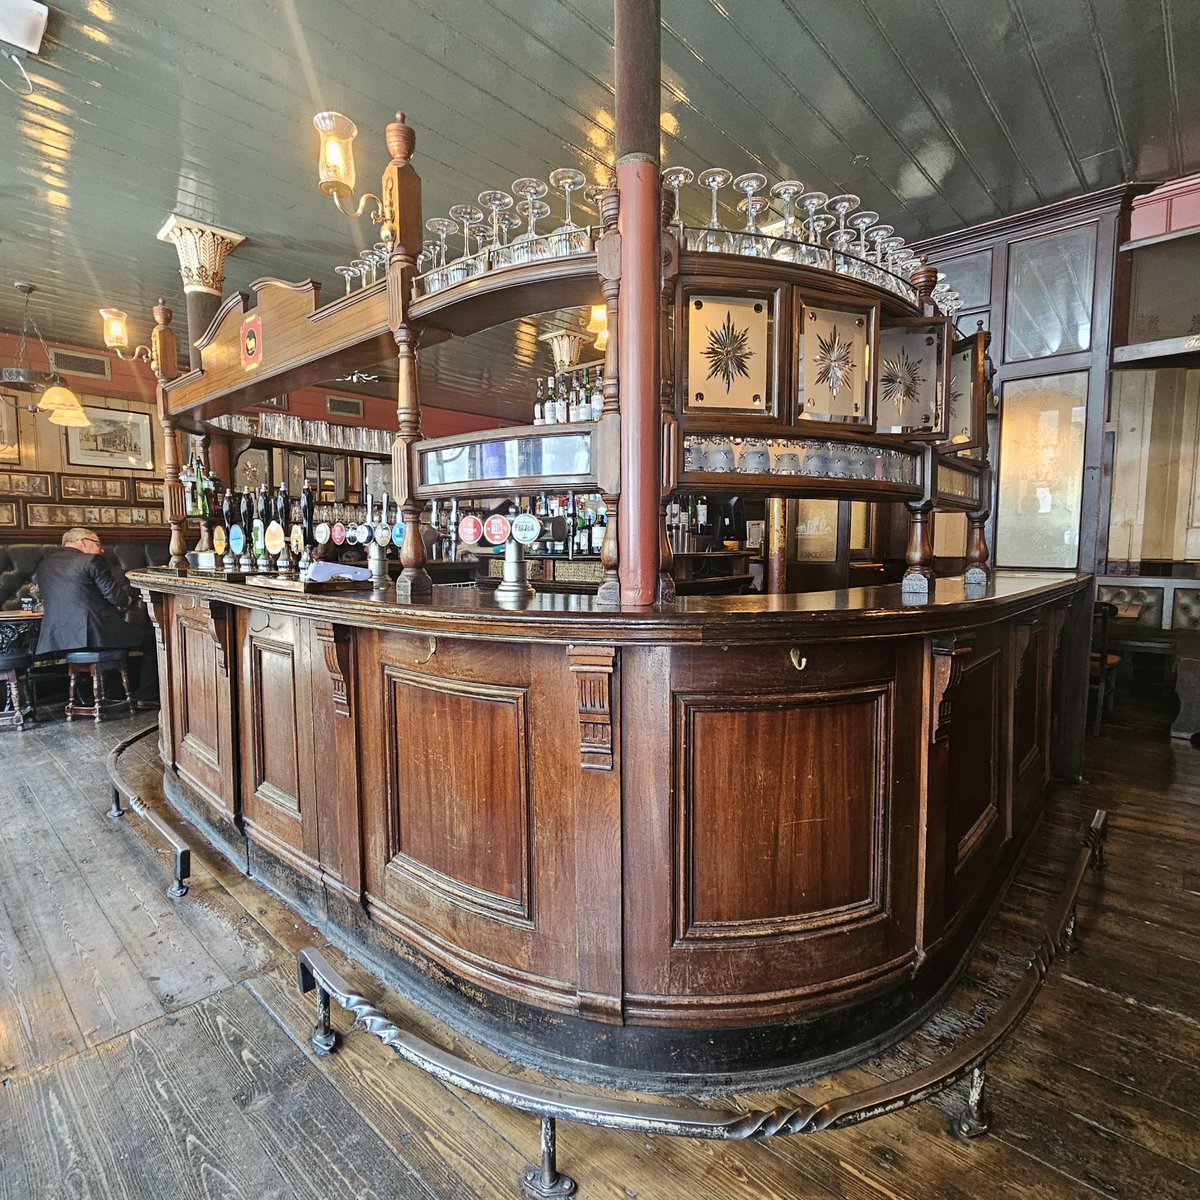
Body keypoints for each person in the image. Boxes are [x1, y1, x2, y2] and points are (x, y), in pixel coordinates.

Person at [35, 527, 160, 708]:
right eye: (98, 544)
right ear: (83, 542)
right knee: (156, 640)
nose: (102, 550)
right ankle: (147, 696)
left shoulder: (45, 565)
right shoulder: (91, 560)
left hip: (57, 637)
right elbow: (115, 597)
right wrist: (129, 599)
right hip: (96, 632)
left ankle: (96, 694)